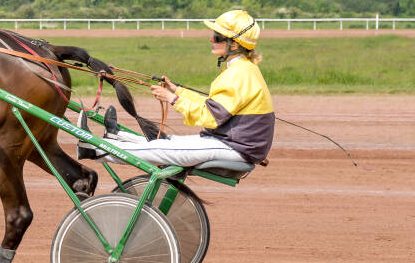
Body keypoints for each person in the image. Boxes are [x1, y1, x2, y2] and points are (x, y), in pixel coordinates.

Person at [77, 9, 274, 168]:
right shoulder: (243, 68)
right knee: (167, 144)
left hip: (234, 147)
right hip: (235, 143)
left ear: (234, 44)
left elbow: (210, 117)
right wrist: (177, 91)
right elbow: (212, 106)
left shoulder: (238, 73)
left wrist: (172, 99)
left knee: (163, 151)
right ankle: (117, 135)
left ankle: (94, 149)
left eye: (218, 36)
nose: (211, 39)